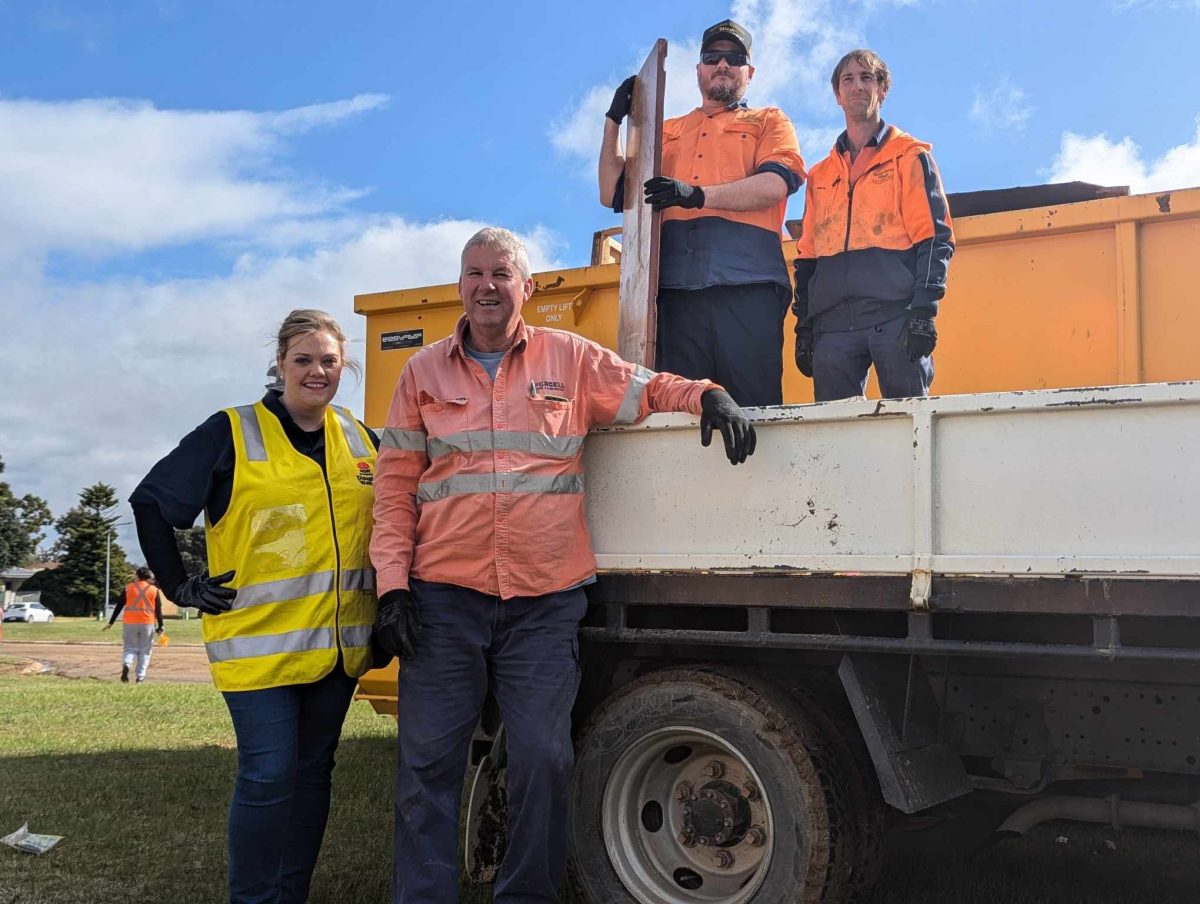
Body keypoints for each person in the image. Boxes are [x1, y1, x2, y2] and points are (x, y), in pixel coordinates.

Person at [371, 227, 756, 903]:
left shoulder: (571, 360)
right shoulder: (421, 373)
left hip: (542, 605)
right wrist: (393, 588)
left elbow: (646, 388)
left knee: (545, 761)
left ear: (527, 286)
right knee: (426, 766)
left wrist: (706, 395)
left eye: (501, 274)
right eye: (474, 273)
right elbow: (395, 486)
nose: (486, 285)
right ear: (460, 285)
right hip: (443, 601)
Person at [129, 309, 379, 904]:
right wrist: (177, 584)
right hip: (259, 650)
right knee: (268, 775)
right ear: (279, 364)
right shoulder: (230, 431)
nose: (317, 372)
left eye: (330, 362)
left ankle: (291, 894)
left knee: (314, 773)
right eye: (304, 360)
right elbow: (151, 503)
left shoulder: (360, 436)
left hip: (338, 652)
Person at [598, 19, 806, 407]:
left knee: (754, 410)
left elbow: (775, 184)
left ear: (750, 71)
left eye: (734, 58)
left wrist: (695, 195)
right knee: (679, 411)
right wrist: (614, 122)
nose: (723, 64)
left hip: (748, 286)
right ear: (699, 70)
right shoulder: (666, 131)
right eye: (713, 57)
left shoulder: (768, 121)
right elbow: (612, 191)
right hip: (675, 295)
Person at [792, 49, 955, 402]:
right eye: (847, 80)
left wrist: (924, 312)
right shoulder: (820, 175)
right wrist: (804, 327)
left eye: (867, 78)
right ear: (837, 94)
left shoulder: (909, 156)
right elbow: (806, 258)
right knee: (836, 439)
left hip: (896, 318)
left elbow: (935, 238)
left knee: (909, 425)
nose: (857, 86)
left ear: (882, 90)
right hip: (832, 326)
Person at [103, 565, 164, 683]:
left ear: (138, 576)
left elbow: (119, 605)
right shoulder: (154, 590)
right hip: (147, 622)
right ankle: (140, 677)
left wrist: (111, 621)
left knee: (130, 648)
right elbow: (158, 610)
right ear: (148, 577)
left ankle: (127, 663)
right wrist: (161, 625)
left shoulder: (128, 588)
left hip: (130, 622)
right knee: (145, 650)